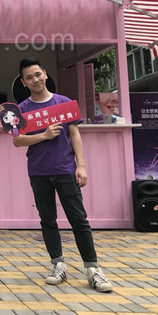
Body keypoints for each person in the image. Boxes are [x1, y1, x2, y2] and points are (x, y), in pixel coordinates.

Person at [12, 57, 113, 293]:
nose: (35, 79)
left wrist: (81, 165)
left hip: (66, 169)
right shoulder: (23, 109)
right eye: (29, 77)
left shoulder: (64, 103)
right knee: (47, 220)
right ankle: (57, 264)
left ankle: (93, 269)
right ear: (24, 83)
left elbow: (75, 135)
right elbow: (17, 140)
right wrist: (44, 136)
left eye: (37, 74)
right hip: (38, 171)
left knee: (79, 219)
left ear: (45, 74)